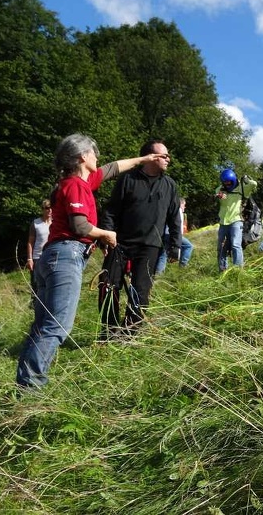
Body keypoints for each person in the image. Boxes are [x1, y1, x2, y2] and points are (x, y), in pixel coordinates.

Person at [16, 134, 167, 389]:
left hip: (53, 258)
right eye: (93, 153)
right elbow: (80, 225)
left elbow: (114, 168)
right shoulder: (75, 184)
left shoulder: (81, 181)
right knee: (57, 326)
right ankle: (30, 388)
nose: (98, 158)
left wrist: (144, 158)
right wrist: (106, 234)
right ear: (82, 157)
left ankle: (25, 383)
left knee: (43, 324)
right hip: (65, 256)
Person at [100, 139, 181, 338]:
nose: (168, 159)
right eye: (163, 155)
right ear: (150, 157)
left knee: (141, 291)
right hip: (120, 243)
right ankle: (109, 331)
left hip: (150, 246)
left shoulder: (170, 185)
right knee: (108, 285)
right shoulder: (128, 179)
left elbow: (174, 218)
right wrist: (107, 235)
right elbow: (111, 210)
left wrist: (174, 246)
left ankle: (130, 334)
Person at [216, 169, 257, 272]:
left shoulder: (242, 189)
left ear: (233, 180)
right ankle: (222, 269)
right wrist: (219, 196)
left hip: (236, 220)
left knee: (235, 244)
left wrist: (247, 179)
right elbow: (215, 195)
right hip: (223, 222)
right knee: (221, 247)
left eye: (229, 182)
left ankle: (238, 270)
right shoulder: (220, 189)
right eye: (225, 182)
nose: (227, 184)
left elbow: (254, 184)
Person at [155, 198, 194, 275]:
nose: (184, 207)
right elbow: (177, 225)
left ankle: (158, 274)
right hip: (172, 234)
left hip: (165, 234)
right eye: (184, 205)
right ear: (181, 204)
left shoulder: (170, 209)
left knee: (164, 254)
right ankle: (183, 265)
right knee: (189, 246)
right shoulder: (178, 211)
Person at [26, 198, 52, 292]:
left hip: (51, 256)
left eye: (51, 208)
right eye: (47, 208)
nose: (49, 210)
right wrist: (30, 259)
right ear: (42, 209)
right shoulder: (36, 223)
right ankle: (35, 304)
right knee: (36, 284)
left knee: (50, 283)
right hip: (37, 257)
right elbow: (30, 242)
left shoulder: (56, 222)